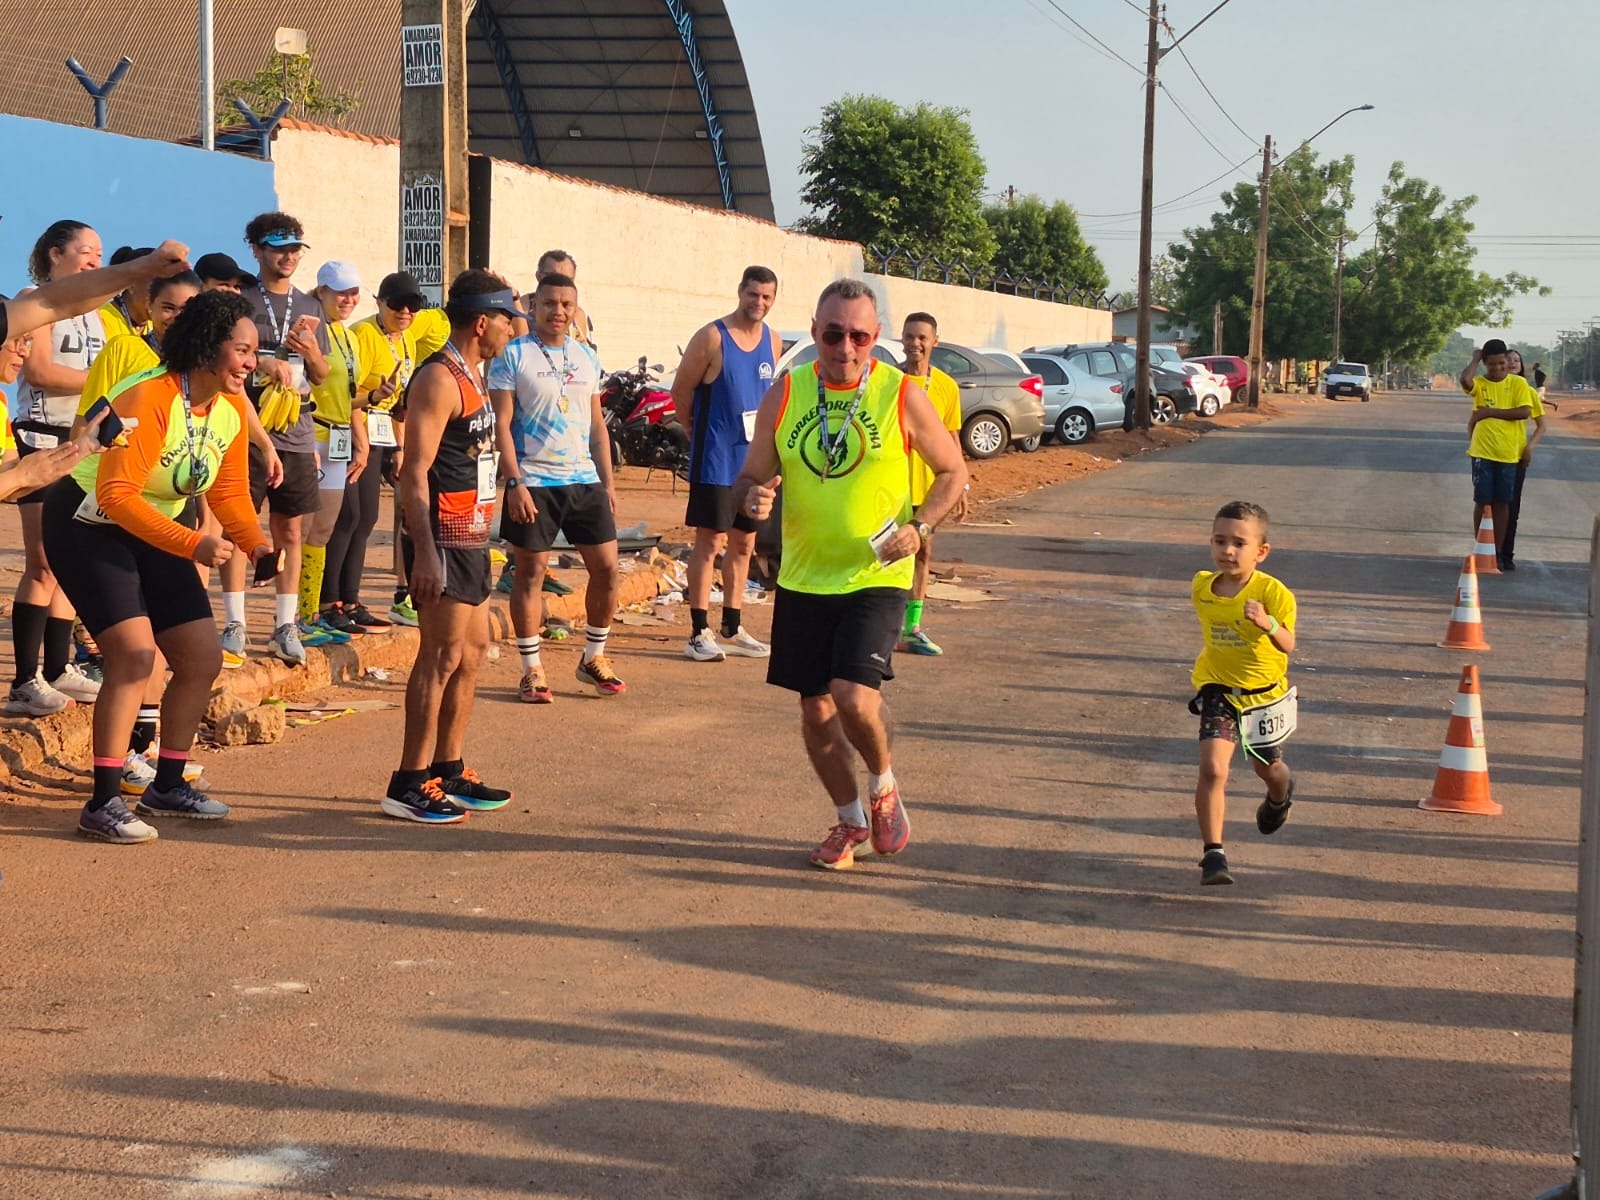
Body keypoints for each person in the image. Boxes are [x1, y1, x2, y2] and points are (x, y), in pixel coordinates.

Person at [733, 279, 968, 870]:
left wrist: (921, 527)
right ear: (815, 335)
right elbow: (750, 476)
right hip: (804, 577)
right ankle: (849, 821)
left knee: (853, 696)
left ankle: (883, 785)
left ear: (875, 338)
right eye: (833, 334)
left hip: (877, 572)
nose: (845, 347)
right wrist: (754, 499)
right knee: (815, 711)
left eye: (858, 336)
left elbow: (952, 471)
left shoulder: (901, 395)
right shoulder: (785, 396)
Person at [43, 290, 277, 843]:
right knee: (134, 655)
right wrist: (193, 545)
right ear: (205, 347)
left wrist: (255, 543)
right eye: (241, 350)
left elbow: (225, 489)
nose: (251, 362)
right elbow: (118, 494)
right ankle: (101, 803)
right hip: (88, 525)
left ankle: (167, 785)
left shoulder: (228, 410)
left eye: (255, 352)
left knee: (202, 657)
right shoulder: (148, 397)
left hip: (154, 527)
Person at [383, 270, 519, 824]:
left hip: (472, 535)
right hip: (443, 537)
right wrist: (427, 552)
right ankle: (408, 781)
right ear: (483, 322)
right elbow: (413, 473)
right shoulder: (439, 379)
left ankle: (448, 767)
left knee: (471, 656)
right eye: (508, 320)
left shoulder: (475, 374)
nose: (512, 331)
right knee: (438, 658)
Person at [489, 272, 625, 701]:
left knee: (606, 569)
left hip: (583, 479)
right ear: (534, 307)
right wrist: (513, 482)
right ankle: (532, 669)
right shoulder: (512, 356)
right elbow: (503, 425)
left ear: (575, 308)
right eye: (549, 303)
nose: (558, 312)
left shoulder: (586, 356)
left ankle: (593, 657)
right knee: (530, 573)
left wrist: (608, 482)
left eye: (566, 304)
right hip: (534, 480)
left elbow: (597, 427)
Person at [219, 212, 335, 669]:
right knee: (238, 527)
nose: (287, 257)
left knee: (291, 530)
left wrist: (310, 353)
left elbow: (322, 376)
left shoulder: (310, 304)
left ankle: (285, 625)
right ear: (257, 250)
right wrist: (264, 361)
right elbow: (225, 357)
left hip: (298, 430)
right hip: (245, 430)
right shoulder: (242, 301)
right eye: (277, 247)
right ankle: (235, 622)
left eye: (294, 249)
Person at [10, 220, 108, 715]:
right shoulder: (36, 300)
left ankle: (57, 668)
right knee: (43, 561)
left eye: (99, 253)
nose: (95, 260)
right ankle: (24, 679)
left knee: (71, 560)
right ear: (55, 255)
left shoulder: (97, 313)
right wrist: (99, 381)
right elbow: (40, 370)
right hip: (41, 437)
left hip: (81, 444)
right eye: (85, 251)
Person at [672, 265, 780, 662]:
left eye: (767, 297)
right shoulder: (712, 336)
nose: (759, 303)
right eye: (753, 294)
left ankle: (733, 625)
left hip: (752, 462)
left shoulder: (773, 339)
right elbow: (681, 390)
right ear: (740, 292)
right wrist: (694, 430)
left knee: (745, 543)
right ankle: (698, 631)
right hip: (715, 458)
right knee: (710, 542)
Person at [1188, 501, 1298, 886]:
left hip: (1263, 697)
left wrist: (1266, 623)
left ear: (1261, 552)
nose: (1227, 551)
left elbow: (1288, 644)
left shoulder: (1273, 592)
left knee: (1267, 769)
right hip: (1219, 690)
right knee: (1213, 768)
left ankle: (1280, 795)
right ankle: (1213, 854)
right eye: (1220, 541)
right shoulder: (1202, 586)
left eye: (1238, 543)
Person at [347, 271, 432, 629]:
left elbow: (399, 400)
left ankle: (399, 595)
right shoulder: (364, 334)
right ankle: (336, 602)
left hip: (387, 432)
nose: (405, 312)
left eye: (413, 306)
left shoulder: (407, 338)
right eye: (397, 305)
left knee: (394, 515)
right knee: (352, 520)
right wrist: (361, 443)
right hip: (358, 428)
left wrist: (400, 448)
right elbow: (346, 395)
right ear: (379, 302)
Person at [299, 261, 378, 636]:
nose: (348, 299)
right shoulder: (310, 328)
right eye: (340, 292)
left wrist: (361, 439)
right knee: (303, 529)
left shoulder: (348, 336)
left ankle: (315, 611)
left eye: (353, 292)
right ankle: (299, 614)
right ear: (321, 292)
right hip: (311, 434)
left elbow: (349, 395)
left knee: (325, 528)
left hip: (339, 435)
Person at [896, 311, 967, 656]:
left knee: (923, 552)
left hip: (928, 489)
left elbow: (952, 437)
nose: (915, 344)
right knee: (887, 556)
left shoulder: (946, 387)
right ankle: (884, 625)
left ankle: (913, 627)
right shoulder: (888, 381)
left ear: (935, 341)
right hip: (890, 488)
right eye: (910, 336)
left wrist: (961, 486)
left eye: (922, 337)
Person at [1459, 339, 1543, 569]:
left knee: (1503, 502)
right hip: (1482, 452)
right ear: (1485, 363)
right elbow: (1465, 381)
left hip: (1508, 454)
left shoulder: (1517, 383)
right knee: (1482, 500)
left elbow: (1523, 412)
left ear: (1507, 362)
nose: (1497, 368)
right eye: (1491, 364)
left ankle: (1497, 551)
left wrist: (1489, 412)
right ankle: (1481, 547)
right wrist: (1475, 358)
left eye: (1501, 363)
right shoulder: (1480, 384)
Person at [1499, 349, 1547, 572]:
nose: (1512, 363)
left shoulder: (1527, 391)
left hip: (1516, 456)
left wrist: (1530, 447)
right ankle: (1490, 551)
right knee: (1490, 505)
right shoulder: (1495, 387)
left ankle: (1507, 554)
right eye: (1508, 360)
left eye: (1516, 360)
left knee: (1512, 506)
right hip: (1493, 454)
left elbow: (1542, 425)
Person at [529, 250, 597, 351]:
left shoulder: (577, 314)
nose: (559, 283)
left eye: (566, 279)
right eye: (552, 276)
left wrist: (582, 349)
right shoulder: (521, 307)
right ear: (538, 276)